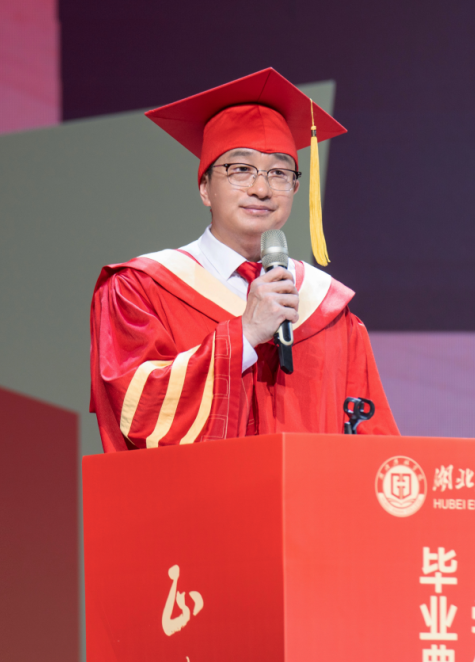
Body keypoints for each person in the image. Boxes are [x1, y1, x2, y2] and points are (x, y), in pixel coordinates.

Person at [90, 68, 399, 452]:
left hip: (306, 492)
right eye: (240, 169)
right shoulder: (139, 289)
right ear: (205, 187)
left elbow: (373, 441)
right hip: (204, 492)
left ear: (296, 188)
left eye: (280, 173)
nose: (262, 188)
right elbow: (137, 410)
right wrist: (245, 336)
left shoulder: (329, 309)